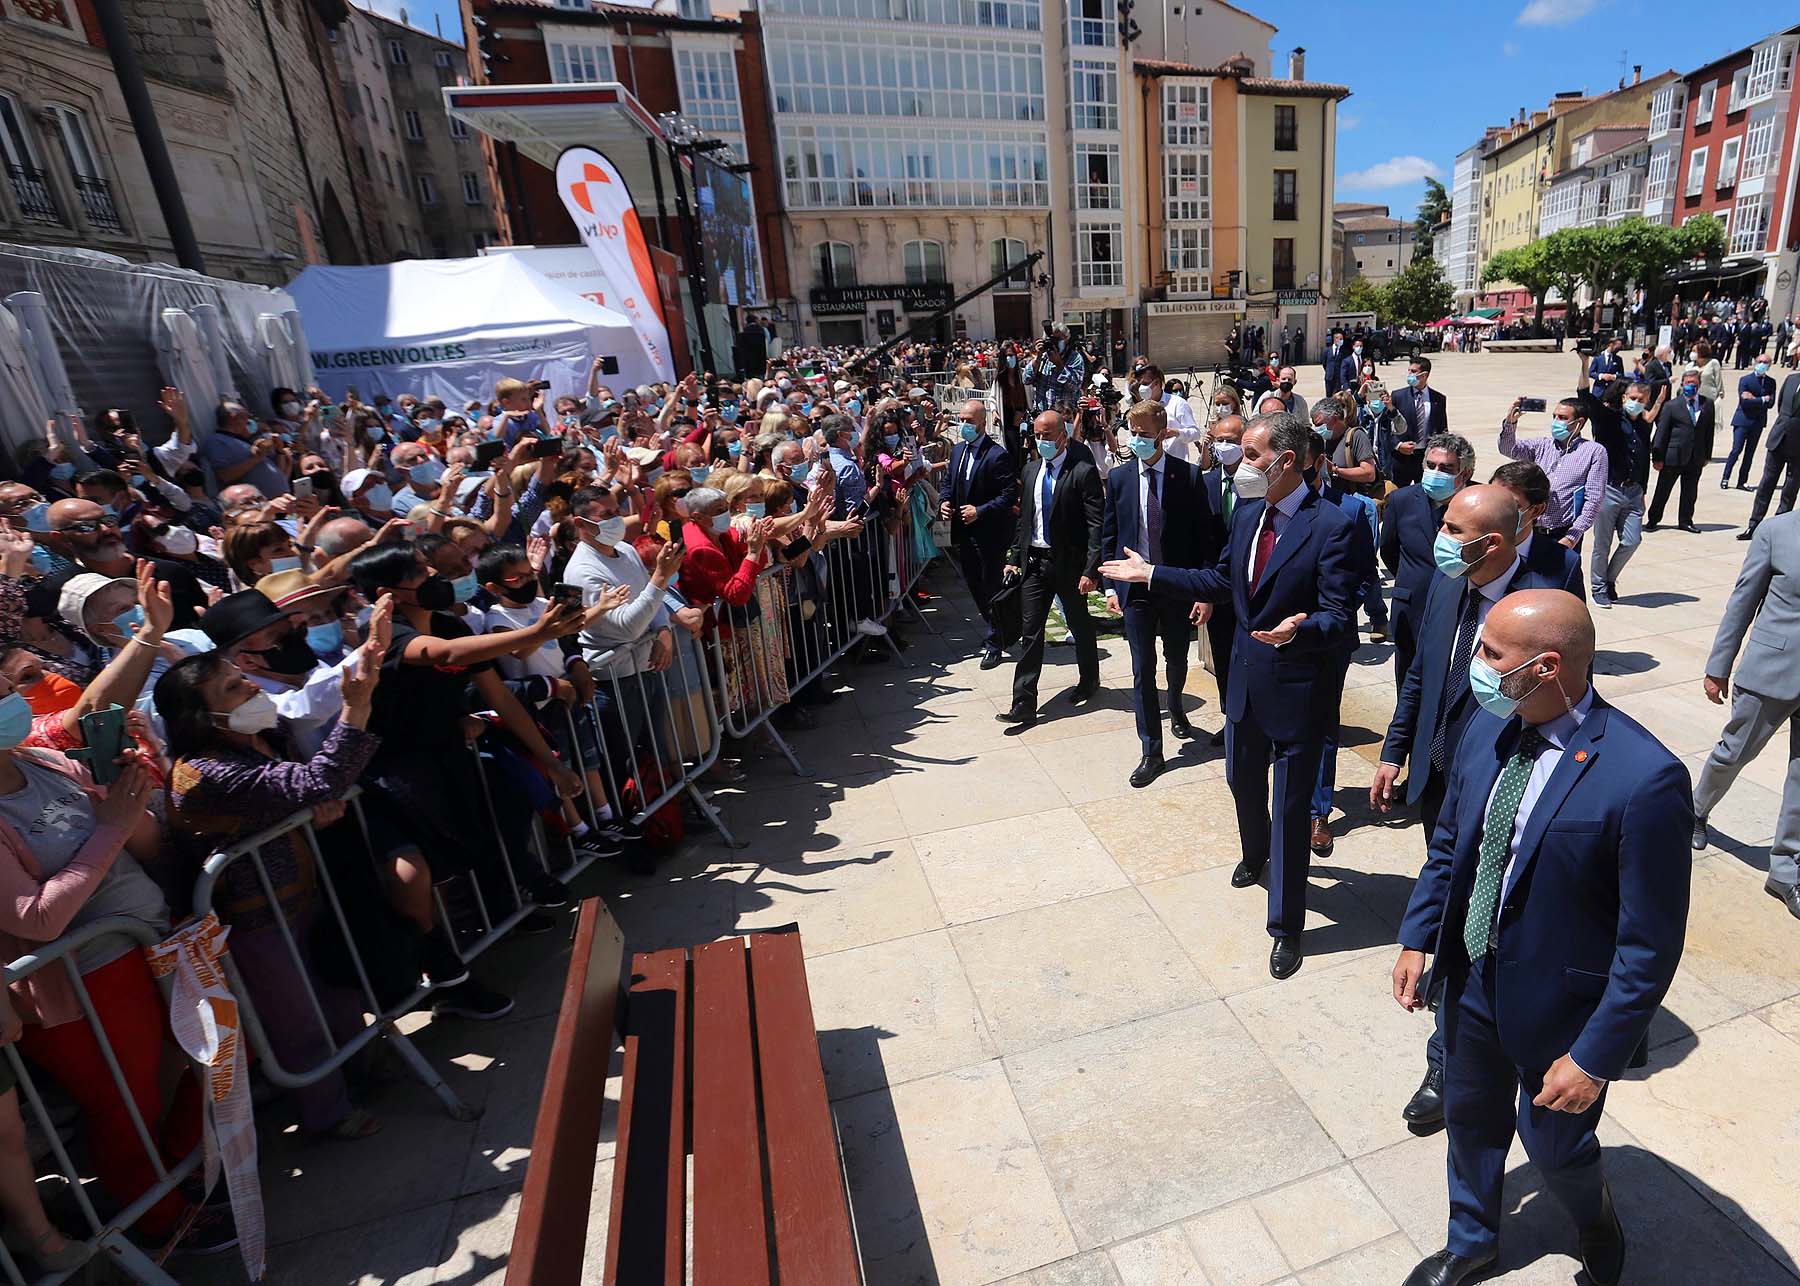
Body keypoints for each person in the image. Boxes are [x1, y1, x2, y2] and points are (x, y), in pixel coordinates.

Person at [1392, 590, 1690, 1286]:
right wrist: (1417, 935)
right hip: (1469, 979)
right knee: (1469, 1121)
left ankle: (1595, 1217)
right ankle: (1472, 1242)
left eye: (1493, 653)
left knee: (1555, 1148)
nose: (1476, 663)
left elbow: (1649, 945)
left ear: (1548, 666)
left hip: (1561, 1011)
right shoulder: (1487, 728)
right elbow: (1451, 847)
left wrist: (1594, 1058)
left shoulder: (1644, 779)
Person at [1100, 411, 1354, 980]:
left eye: (1253, 454)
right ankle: (1254, 851)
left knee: (1290, 810)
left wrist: (1300, 629)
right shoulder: (1246, 514)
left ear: (1287, 461)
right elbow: (1219, 581)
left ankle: (1286, 925)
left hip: (1296, 691)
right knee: (1242, 780)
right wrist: (1151, 576)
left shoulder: (1333, 526)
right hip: (1242, 683)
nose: (1242, 464)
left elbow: (1341, 618)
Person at [1693, 509, 1800, 919]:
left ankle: (1786, 868)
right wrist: (1718, 666)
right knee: (1734, 753)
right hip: (1770, 670)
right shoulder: (1776, 532)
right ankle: (1698, 810)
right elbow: (1743, 600)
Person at [1100, 401, 1214, 787]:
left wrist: (1203, 591)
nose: (1137, 440)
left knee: (1176, 659)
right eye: (1132, 432)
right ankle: (1152, 749)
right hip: (1135, 590)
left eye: (1144, 434)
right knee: (1141, 669)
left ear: (1163, 433)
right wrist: (1111, 586)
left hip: (1177, 585)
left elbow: (1204, 540)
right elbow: (1110, 536)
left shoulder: (1189, 476)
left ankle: (1178, 704)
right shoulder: (1119, 479)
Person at [997, 411, 1104, 732]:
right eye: (1037, 436)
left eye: (1047, 435)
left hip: (1069, 566)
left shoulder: (1082, 473)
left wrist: (1091, 569)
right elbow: (1025, 520)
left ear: (1063, 436)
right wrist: (1015, 556)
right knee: (1031, 631)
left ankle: (1089, 679)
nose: (1040, 441)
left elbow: (1095, 525)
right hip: (1035, 565)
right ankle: (1023, 703)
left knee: (1079, 624)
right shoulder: (1030, 470)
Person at [1381, 433, 1475, 686]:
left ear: (1464, 474)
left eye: (1446, 468)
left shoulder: (1480, 502)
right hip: (1411, 608)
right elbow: (1388, 550)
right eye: (1431, 466)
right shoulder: (1401, 500)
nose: (1436, 472)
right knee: (1409, 681)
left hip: (1462, 609)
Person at [941, 399, 1018, 669]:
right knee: (974, 584)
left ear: (982, 423)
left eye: (969, 421)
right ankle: (997, 627)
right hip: (964, 533)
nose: (964, 425)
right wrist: (944, 501)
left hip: (989, 534)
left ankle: (995, 641)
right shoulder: (957, 450)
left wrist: (981, 510)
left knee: (992, 586)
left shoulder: (997, 455)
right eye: (961, 419)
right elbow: (949, 481)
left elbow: (1009, 495)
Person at [1497, 395, 1606, 547]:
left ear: (1579, 423)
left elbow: (1594, 498)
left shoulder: (1593, 452)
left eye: (1562, 418)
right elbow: (1508, 449)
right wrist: (1510, 422)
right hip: (1530, 530)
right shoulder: (1541, 445)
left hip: (1563, 533)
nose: (1556, 422)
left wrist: (1573, 536)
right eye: (1554, 417)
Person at [1196, 414, 1244, 746]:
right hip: (1218, 587)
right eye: (1219, 441)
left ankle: (1256, 721)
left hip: (1254, 590)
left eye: (1232, 441)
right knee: (1224, 657)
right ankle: (1231, 720)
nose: (1225, 447)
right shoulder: (1207, 482)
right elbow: (1200, 542)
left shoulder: (1261, 484)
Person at [1488, 461, 1585, 596]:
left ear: (1536, 510)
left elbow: (1573, 615)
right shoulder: (1469, 544)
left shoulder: (1564, 564)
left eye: (1510, 505)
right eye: (1491, 500)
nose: (1495, 511)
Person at [1646, 366, 1715, 533]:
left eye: (1694, 382)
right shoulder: (1671, 406)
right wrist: (1657, 457)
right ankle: (1653, 519)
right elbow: (1661, 432)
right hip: (1673, 456)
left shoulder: (1707, 404)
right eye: (1687, 383)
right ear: (1682, 384)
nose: (1691, 385)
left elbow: (1709, 432)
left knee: (1690, 492)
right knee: (1663, 490)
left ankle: (1685, 520)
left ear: (1699, 384)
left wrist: (1707, 455)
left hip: (1695, 456)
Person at [1741, 367, 1800, 539]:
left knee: (1790, 489)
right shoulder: (1791, 379)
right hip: (1779, 438)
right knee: (1766, 483)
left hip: (1798, 445)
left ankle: (1778, 530)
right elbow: (1781, 405)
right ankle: (1754, 525)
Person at [1723, 356, 1778, 490]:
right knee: (1736, 450)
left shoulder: (1771, 382)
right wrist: (1762, 400)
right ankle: (1725, 477)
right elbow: (1744, 402)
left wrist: (1756, 399)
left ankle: (1742, 481)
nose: (1762, 364)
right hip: (1742, 420)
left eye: (1765, 363)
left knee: (1750, 453)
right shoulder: (1745, 380)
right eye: (1760, 362)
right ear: (1755, 362)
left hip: (1757, 422)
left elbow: (1771, 403)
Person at [1391, 357, 1447, 487]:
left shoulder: (1438, 399)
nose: (1409, 374)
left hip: (1425, 458)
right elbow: (1386, 428)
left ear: (1425, 375)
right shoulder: (1398, 396)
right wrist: (1398, 445)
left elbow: (1442, 429)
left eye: (1413, 371)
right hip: (1402, 457)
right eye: (1409, 371)